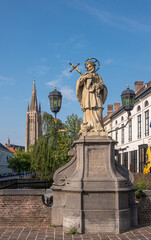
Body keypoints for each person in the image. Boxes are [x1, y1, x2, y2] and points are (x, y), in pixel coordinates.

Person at [76, 60, 107, 135]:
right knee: (89, 110)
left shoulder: (98, 76)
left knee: (98, 111)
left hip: (96, 96)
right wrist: (84, 78)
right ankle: (90, 128)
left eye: (91, 66)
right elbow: (79, 84)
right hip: (88, 96)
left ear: (94, 66)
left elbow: (103, 86)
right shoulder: (85, 75)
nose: (90, 68)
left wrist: (99, 86)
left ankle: (99, 128)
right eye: (88, 67)